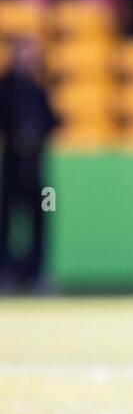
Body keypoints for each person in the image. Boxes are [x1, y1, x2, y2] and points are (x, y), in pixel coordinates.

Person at [0, 36, 59, 290]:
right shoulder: (6, 86)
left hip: (38, 169)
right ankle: (6, 271)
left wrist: (37, 135)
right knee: (7, 218)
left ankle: (37, 273)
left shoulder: (38, 87)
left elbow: (54, 120)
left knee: (43, 216)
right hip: (13, 165)